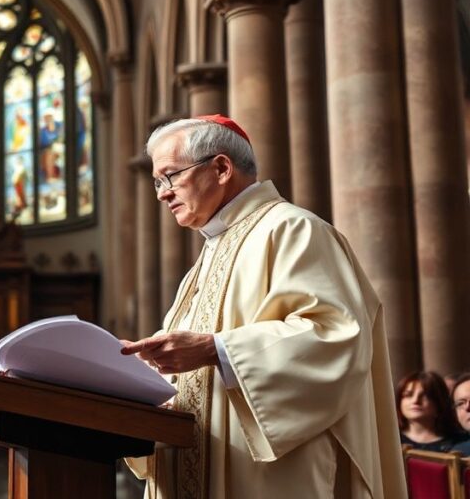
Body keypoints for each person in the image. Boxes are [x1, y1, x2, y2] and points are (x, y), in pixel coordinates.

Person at [120, 115, 406, 498]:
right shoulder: (208, 256)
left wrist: (213, 348)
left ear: (221, 168)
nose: (161, 193)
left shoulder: (293, 229)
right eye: (157, 181)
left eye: (169, 176)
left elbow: (335, 336)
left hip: (269, 480)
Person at [396, 371, 468, 452]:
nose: (415, 401)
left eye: (425, 396)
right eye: (408, 395)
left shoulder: (461, 442)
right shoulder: (390, 439)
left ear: (439, 401)